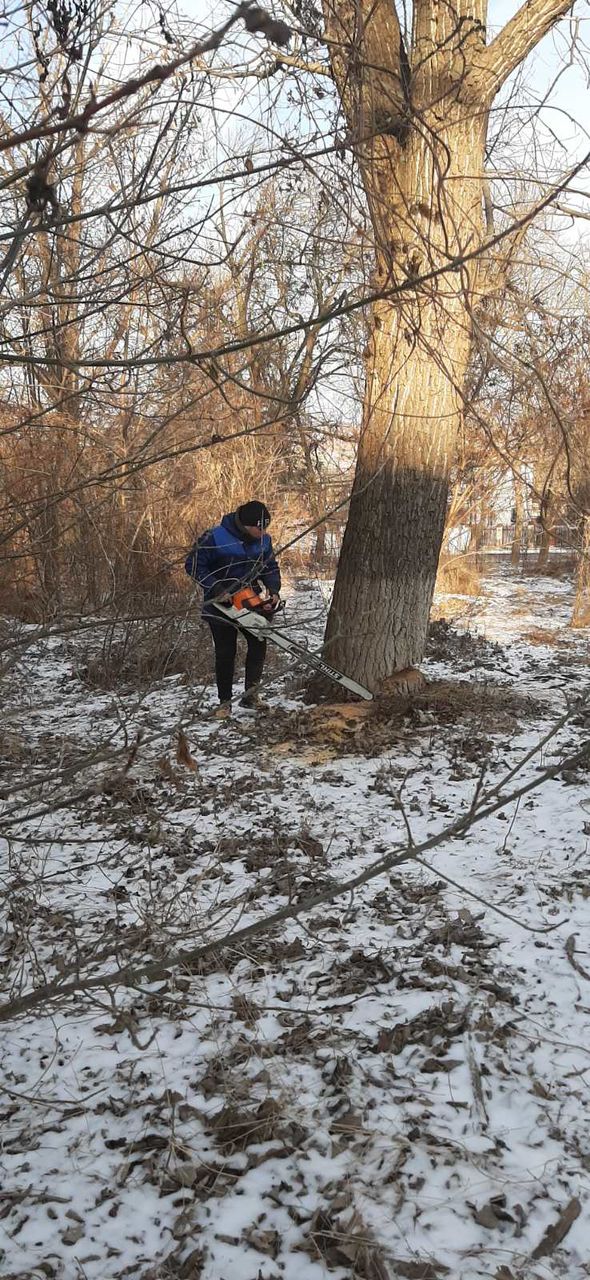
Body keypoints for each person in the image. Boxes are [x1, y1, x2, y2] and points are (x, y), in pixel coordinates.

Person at [185, 500, 281, 718]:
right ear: (246, 525)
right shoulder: (215, 537)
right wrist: (216, 587)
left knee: (258, 643)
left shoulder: (264, 540)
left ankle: (251, 695)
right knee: (225, 652)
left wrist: (273, 589)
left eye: (265, 527)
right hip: (221, 603)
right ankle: (224, 702)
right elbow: (193, 564)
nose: (262, 532)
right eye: (259, 527)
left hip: (250, 599)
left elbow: (270, 567)